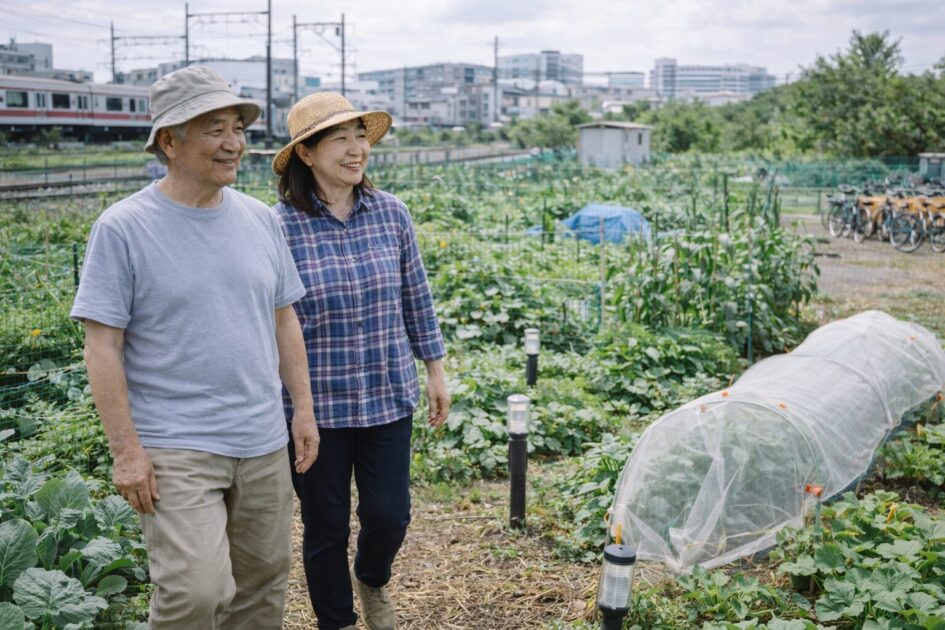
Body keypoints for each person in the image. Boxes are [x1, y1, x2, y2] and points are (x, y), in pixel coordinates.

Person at [71, 65, 320, 629]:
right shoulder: (125, 228)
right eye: (214, 129)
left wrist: (301, 409)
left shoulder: (260, 220)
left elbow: (284, 320)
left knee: (262, 588)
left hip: (260, 439)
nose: (234, 143)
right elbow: (102, 346)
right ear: (169, 141)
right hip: (176, 444)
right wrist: (126, 452)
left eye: (238, 128)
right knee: (196, 593)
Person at [271, 92, 451, 630]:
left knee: (389, 515)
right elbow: (271, 321)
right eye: (340, 139)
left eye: (360, 137)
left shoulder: (391, 213)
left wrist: (435, 369)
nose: (356, 150)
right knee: (324, 526)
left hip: (386, 392)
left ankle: (371, 579)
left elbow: (415, 295)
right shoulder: (277, 227)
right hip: (315, 405)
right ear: (306, 153)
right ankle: (338, 620)